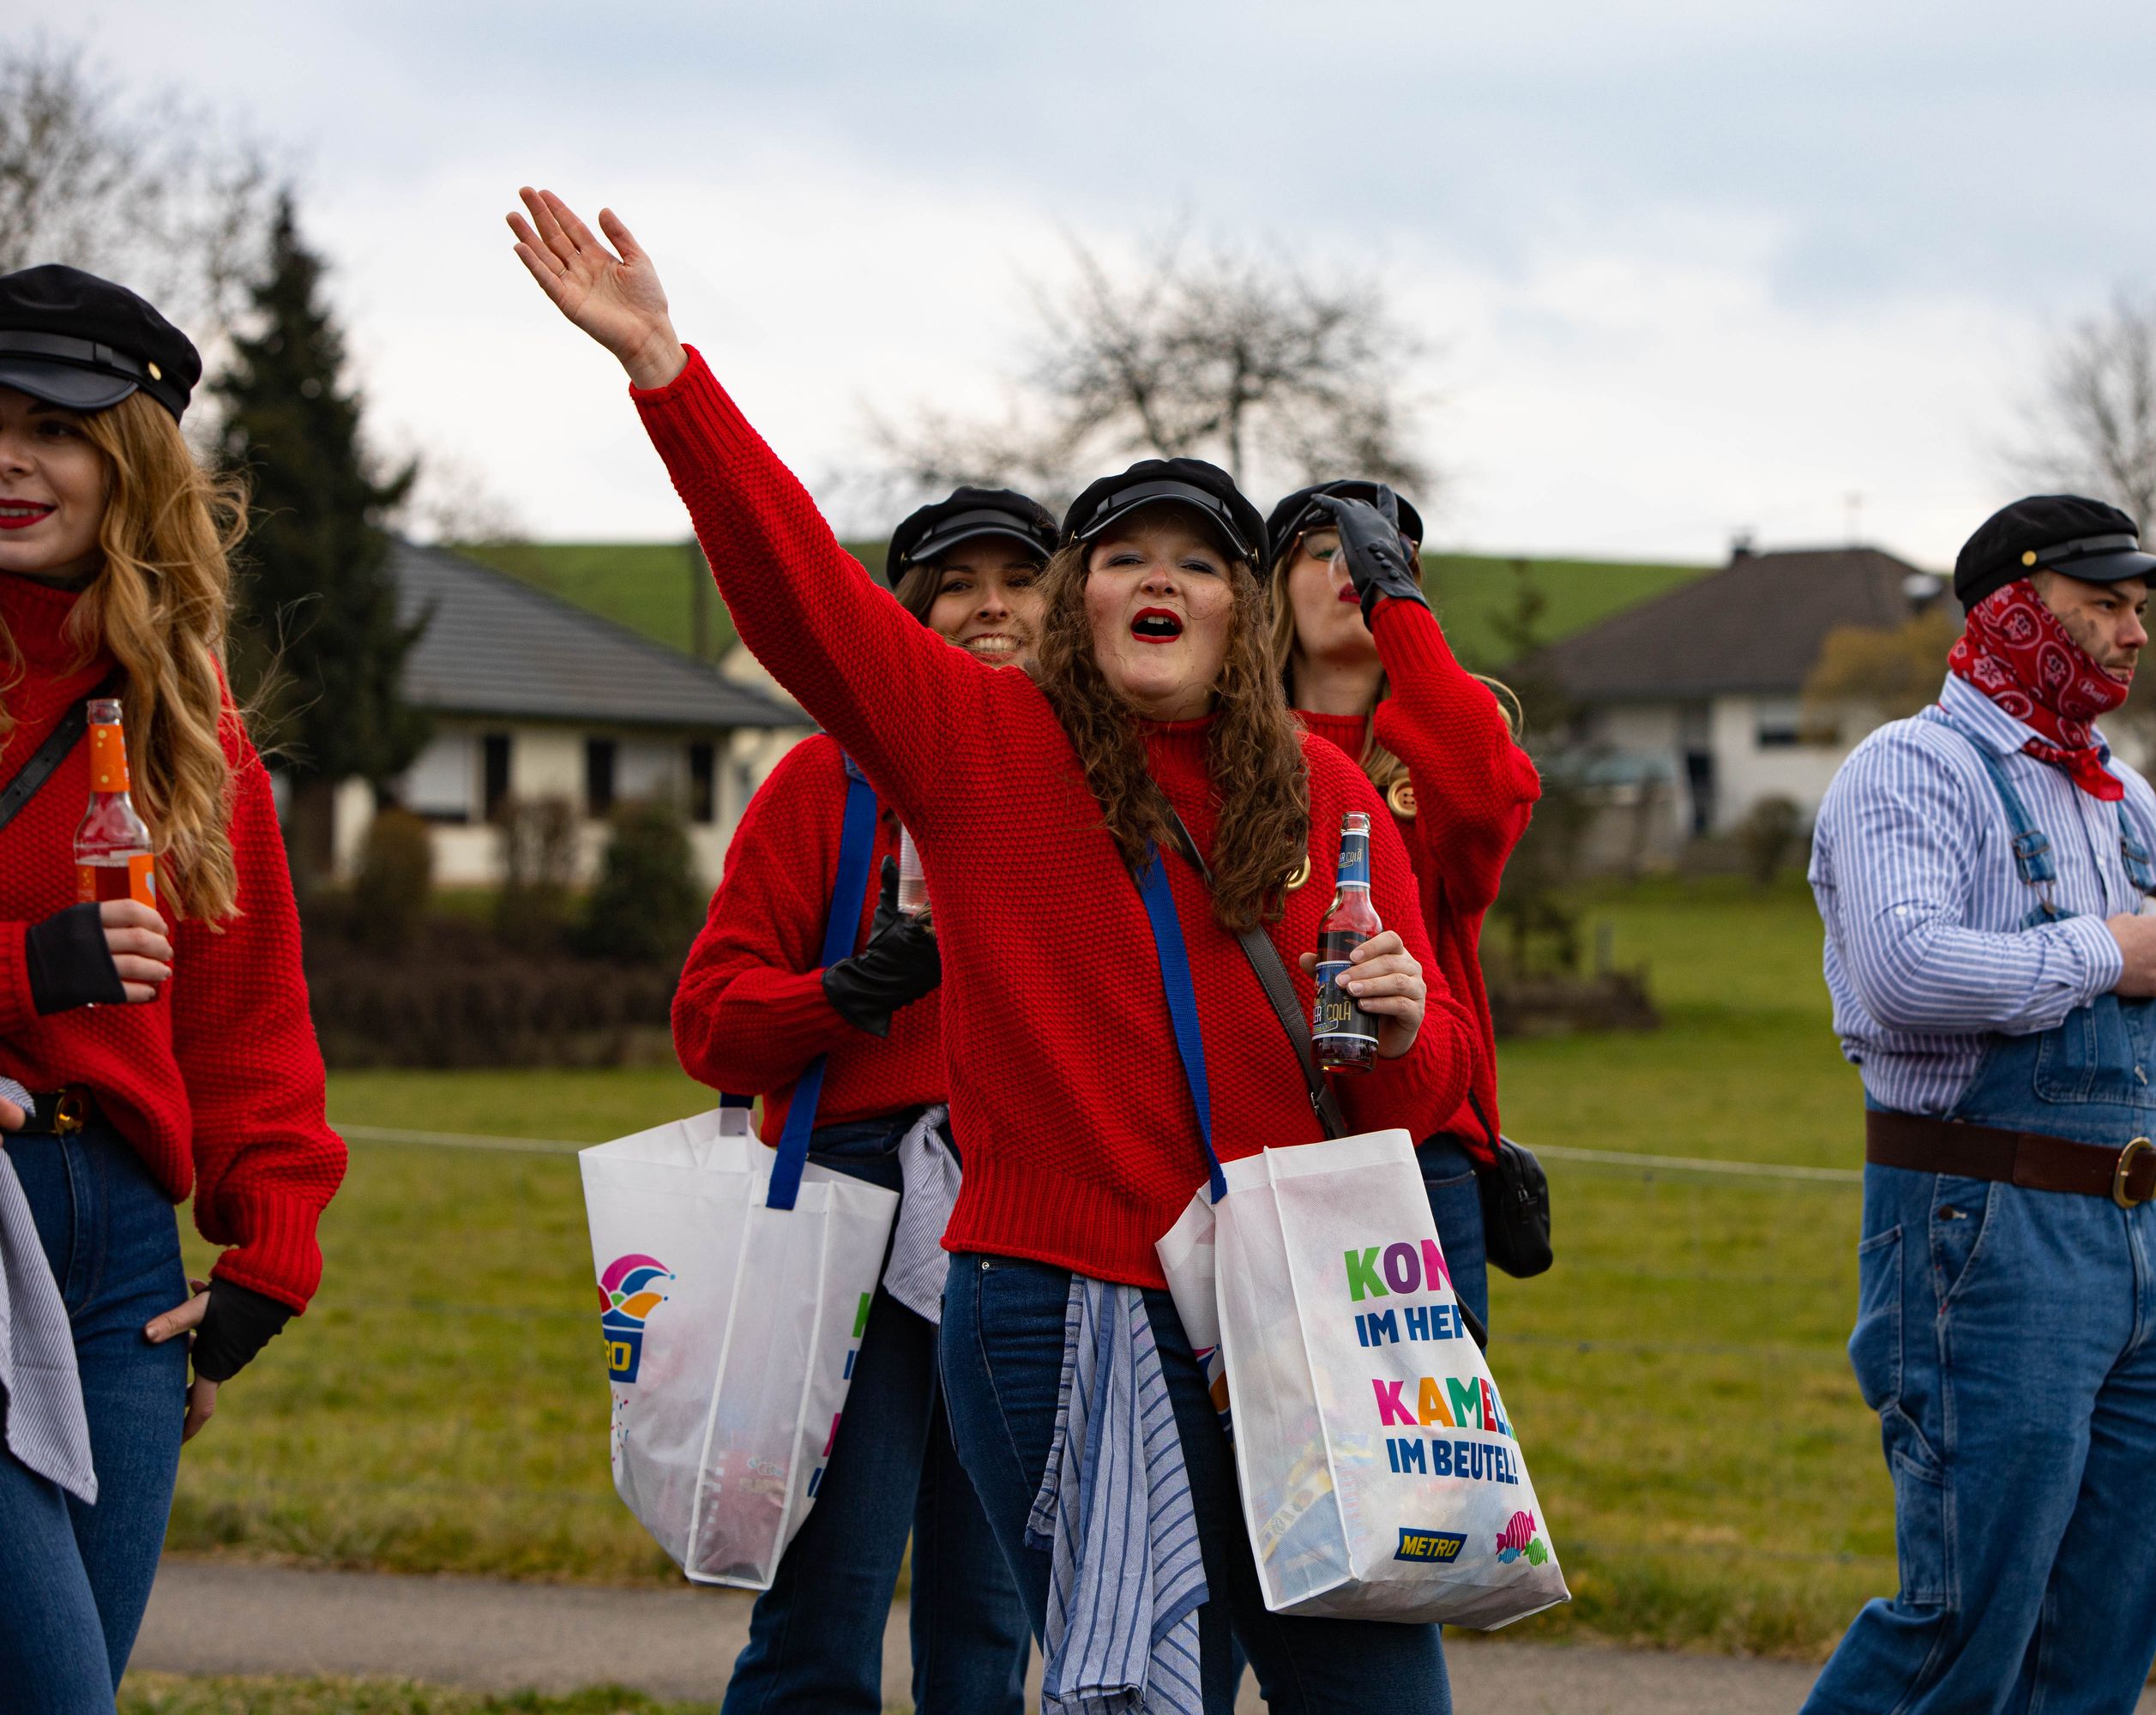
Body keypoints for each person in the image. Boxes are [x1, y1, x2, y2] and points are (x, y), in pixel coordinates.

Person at [510, 187, 1472, 1713]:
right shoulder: (979, 748)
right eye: (1123, 555)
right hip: (1063, 1292)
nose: (1161, 580)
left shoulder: (1327, 795)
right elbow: (800, 600)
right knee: (1129, 1688)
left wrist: (1404, 1016)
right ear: (1081, 599)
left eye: (1202, 560)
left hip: (1288, 1317)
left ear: (1245, 611)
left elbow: (1415, 1102)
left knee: (1375, 1697)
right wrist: (668, 379)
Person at [1801, 495, 2156, 1713]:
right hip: (1980, 1227)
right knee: (1962, 1621)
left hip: (2144, 1246)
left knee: (2097, 1639)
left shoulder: (2123, 801)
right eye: (2105, 605)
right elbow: (1901, 972)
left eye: (2139, 609)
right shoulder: (1909, 770)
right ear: (2014, 609)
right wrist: (2102, 950)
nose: (2134, 634)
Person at [0, 265, 343, 1712]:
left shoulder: (188, 722)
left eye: (55, 428)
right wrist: (30, 969)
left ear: (133, 463)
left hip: (124, 1268)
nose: (12, 460)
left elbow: (248, 1021)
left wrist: (266, 1263)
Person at [673, 484, 1055, 1714]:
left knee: (992, 1619)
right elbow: (708, 1025)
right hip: (854, 1207)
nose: (992, 606)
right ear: (907, 615)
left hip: (1029, 1211)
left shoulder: (1092, 793)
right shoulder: (822, 789)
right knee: (827, 1599)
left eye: (1022, 579)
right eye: (959, 583)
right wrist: (845, 993)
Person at [1263, 482, 1539, 1329]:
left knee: (1425, 1455)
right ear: (1271, 587)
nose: (1351, 566)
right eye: (1322, 549)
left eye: (1380, 556)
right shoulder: (1229, 757)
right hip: (1264, 1143)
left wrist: (1402, 615)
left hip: (1424, 1152)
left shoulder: (1453, 749)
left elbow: (1483, 797)